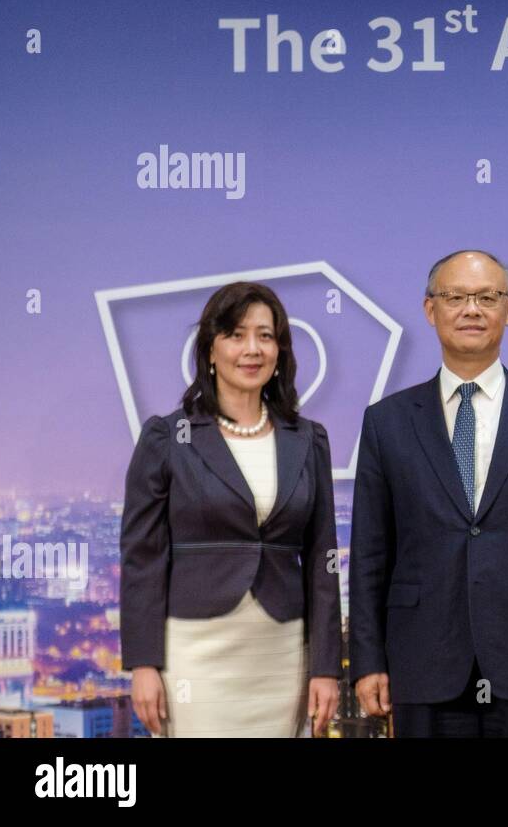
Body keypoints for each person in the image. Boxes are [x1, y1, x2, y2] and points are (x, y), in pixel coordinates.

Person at [349, 250, 508, 737]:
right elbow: (369, 555)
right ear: (430, 310)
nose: (472, 309)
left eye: (488, 297)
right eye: (456, 297)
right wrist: (367, 659)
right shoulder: (387, 422)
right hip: (423, 660)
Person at [121, 281, 343, 737]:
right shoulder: (168, 438)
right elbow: (142, 559)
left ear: (280, 351)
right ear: (210, 349)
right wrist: (143, 663)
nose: (252, 349)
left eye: (266, 336)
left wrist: (325, 667)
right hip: (194, 654)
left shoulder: (308, 439)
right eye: (236, 335)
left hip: (282, 652)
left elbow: (323, 563)